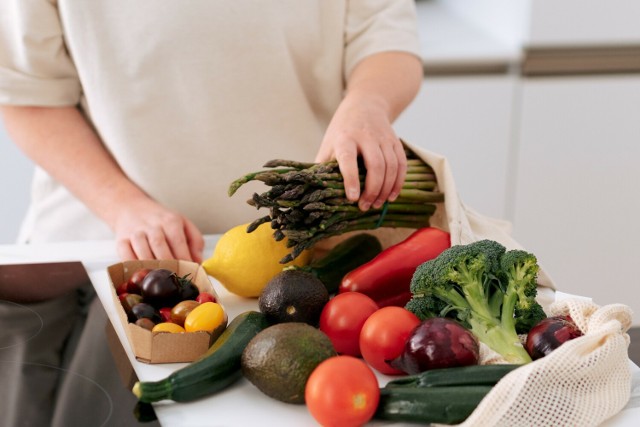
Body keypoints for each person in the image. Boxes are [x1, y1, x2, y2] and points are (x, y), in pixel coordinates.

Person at [0, 1, 423, 425]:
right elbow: (26, 95)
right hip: (100, 250)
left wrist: (368, 103)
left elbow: (386, 38)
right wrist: (122, 205)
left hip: (308, 257)